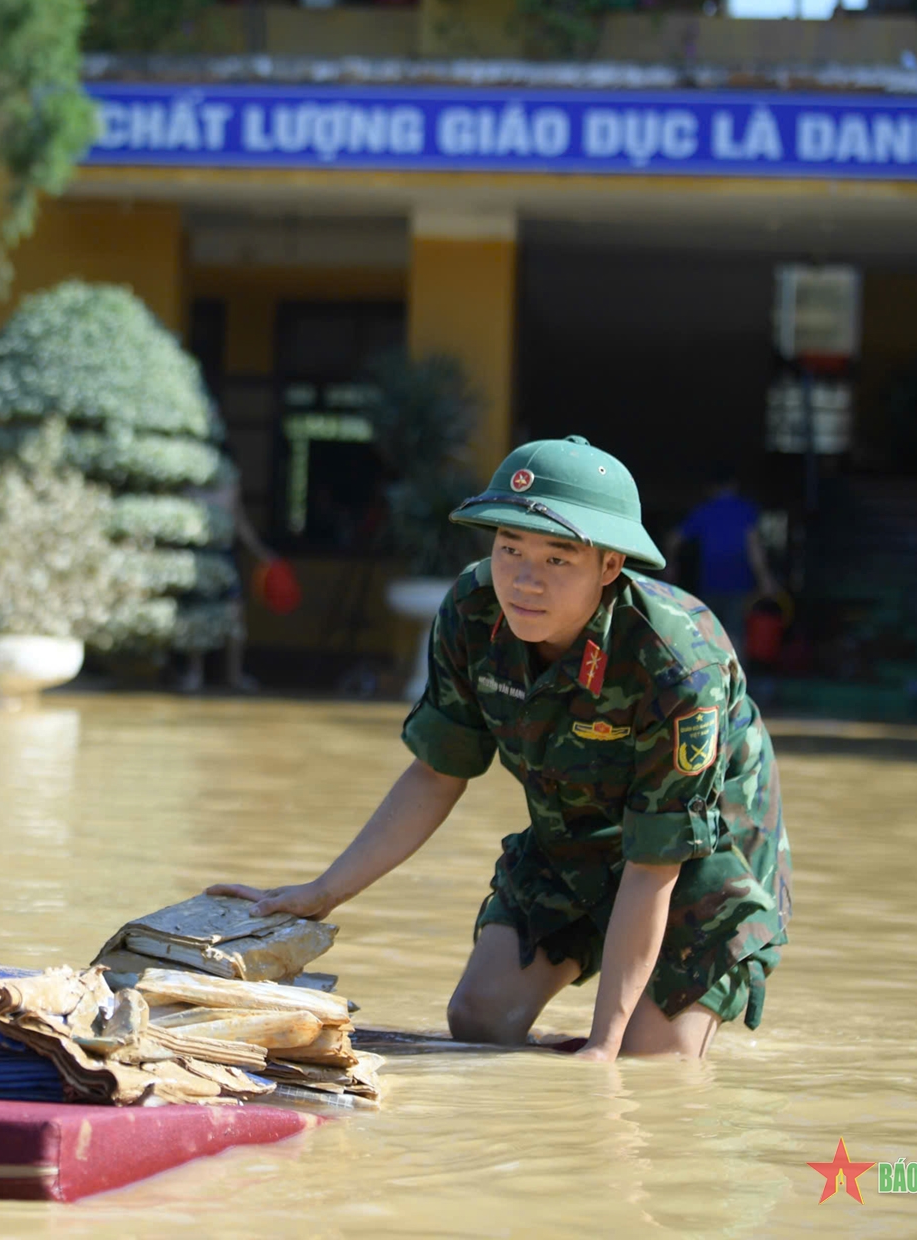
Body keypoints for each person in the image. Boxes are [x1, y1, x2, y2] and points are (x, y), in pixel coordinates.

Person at [212, 437, 790, 1060]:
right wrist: (321, 893)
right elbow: (437, 772)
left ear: (610, 566)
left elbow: (655, 865)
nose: (524, 580)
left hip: (700, 853)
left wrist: (605, 1045)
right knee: (480, 1019)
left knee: (653, 1066)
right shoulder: (472, 609)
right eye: (509, 548)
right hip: (573, 832)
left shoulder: (677, 666)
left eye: (558, 559)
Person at [177, 452, 277, 694]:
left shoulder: (230, 485)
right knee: (196, 613)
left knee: (234, 614)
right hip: (198, 556)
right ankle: (195, 672)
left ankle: (234, 674)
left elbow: (239, 522)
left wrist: (262, 553)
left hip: (224, 557)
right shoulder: (188, 485)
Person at [665, 462, 779, 655]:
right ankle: (738, 681)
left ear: (711, 488)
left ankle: (711, 680)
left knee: (707, 636)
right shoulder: (746, 510)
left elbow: (673, 539)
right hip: (738, 583)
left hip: (710, 582)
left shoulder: (704, 511)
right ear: (734, 485)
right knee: (735, 635)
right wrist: (765, 579)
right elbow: (754, 548)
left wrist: (670, 565)